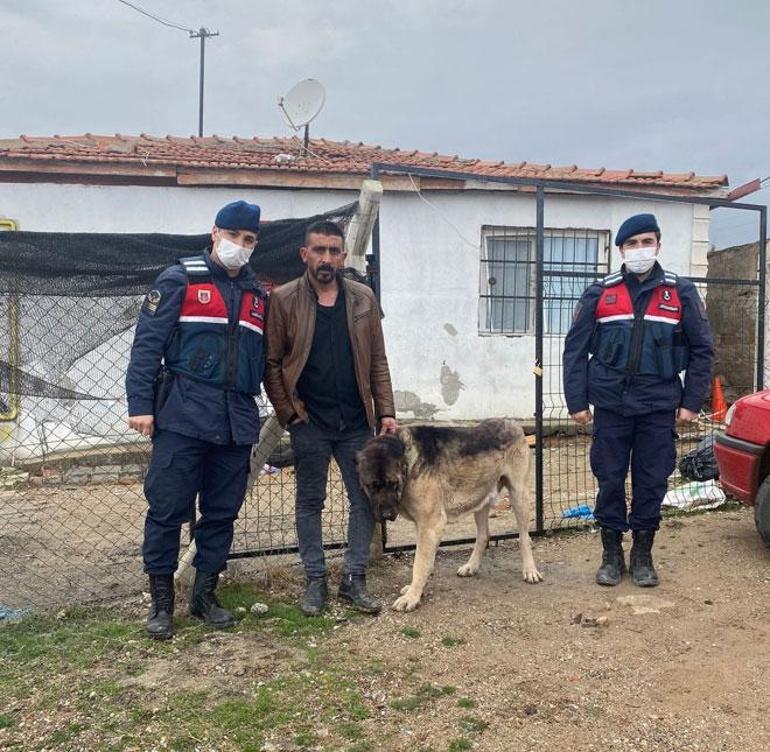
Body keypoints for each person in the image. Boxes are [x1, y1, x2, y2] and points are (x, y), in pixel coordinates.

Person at [126, 200, 266, 639]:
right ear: (214, 233)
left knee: (222, 514)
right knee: (167, 510)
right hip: (183, 415)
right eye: (233, 237)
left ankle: (204, 596)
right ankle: (162, 605)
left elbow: (265, 358)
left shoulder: (257, 294)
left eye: (248, 241)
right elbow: (147, 346)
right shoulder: (179, 279)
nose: (239, 247)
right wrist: (140, 405)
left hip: (236, 420)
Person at [563, 213, 714, 587]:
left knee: (652, 480)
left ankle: (643, 554)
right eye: (631, 244)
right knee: (610, 479)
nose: (639, 250)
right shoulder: (601, 292)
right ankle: (611, 554)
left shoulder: (680, 292)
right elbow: (575, 349)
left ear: (658, 244)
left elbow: (702, 351)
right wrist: (576, 401)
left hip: (658, 405)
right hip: (611, 405)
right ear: (620, 250)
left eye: (646, 242)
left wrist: (692, 403)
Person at [264, 220, 396, 616]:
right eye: (318, 250)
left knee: (364, 501)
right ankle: (315, 580)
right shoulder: (285, 299)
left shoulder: (362, 299)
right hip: (311, 422)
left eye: (333, 251)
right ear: (304, 254)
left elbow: (377, 360)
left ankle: (354, 580)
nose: (326, 259)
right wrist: (289, 414)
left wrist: (386, 410)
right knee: (310, 501)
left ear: (343, 255)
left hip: (357, 422)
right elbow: (271, 364)